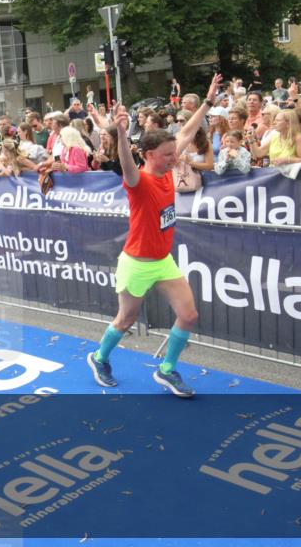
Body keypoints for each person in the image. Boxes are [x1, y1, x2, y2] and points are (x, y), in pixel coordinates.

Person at [87, 73, 222, 398]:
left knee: (188, 315)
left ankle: (166, 369)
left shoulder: (168, 168)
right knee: (126, 320)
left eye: (174, 153)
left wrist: (207, 101)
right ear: (149, 155)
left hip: (162, 262)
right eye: (167, 154)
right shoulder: (139, 182)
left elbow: (186, 132)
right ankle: (99, 358)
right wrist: (121, 133)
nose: (175, 158)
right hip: (136, 263)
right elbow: (126, 164)